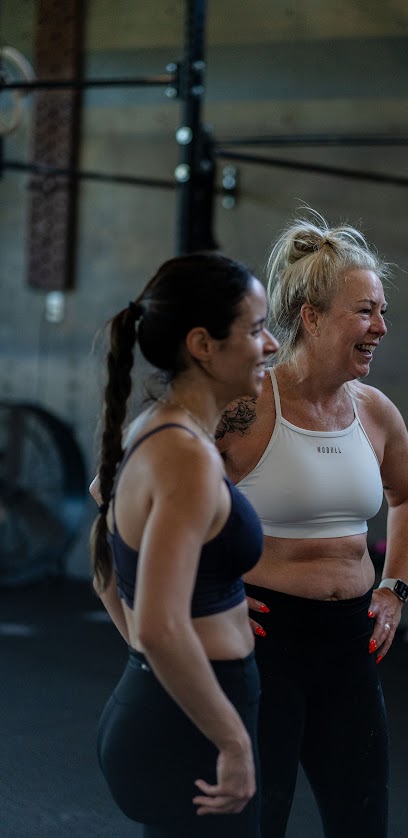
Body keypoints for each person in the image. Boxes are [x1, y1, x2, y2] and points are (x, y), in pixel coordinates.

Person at [216, 212, 408, 838]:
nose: (381, 327)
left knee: (362, 821)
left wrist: (394, 588)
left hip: (350, 644)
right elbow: (129, 492)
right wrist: (207, 595)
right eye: (365, 312)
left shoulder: (374, 411)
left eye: (382, 311)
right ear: (311, 317)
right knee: (259, 820)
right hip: (264, 639)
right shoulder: (246, 406)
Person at [89, 252, 278, 837]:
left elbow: (106, 573)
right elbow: (158, 626)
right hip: (189, 722)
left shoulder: (155, 428)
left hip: (168, 705)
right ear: (203, 345)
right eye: (255, 329)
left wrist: (151, 664)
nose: (271, 345)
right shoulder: (186, 456)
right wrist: (233, 742)